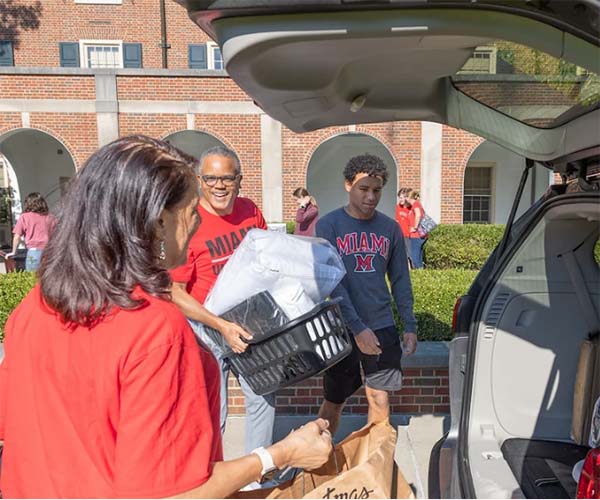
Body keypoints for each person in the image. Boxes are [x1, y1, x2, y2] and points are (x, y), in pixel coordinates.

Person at [0, 135, 331, 498]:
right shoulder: (156, 330)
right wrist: (281, 454)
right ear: (159, 223)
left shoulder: (33, 308)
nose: (195, 227)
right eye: (191, 213)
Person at [170, 145, 276, 459]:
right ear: (200, 181)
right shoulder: (186, 222)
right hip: (207, 328)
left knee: (263, 399)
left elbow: (268, 258)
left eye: (227, 178)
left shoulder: (250, 211)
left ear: (239, 180)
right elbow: (175, 292)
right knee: (213, 410)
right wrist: (221, 326)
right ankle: (212, 477)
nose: (220, 185)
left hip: (251, 324)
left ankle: (258, 478)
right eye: (212, 178)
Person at [315, 153, 418, 436]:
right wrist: (358, 328)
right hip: (342, 328)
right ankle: (322, 461)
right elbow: (332, 285)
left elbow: (400, 280)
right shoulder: (328, 225)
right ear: (348, 185)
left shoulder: (390, 228)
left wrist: (409, 324)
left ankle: (376, 467)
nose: (371, 197)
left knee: (379, 397)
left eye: (377, 190)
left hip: (381, 323)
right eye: (364, 189)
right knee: (334, 402)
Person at [7, 192, 56, 271]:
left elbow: (17, 237)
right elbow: (58, 235)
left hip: (34, 253)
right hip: (50, 252)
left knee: (32, 279)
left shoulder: (25, 217)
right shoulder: (51, 218)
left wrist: (13, 252)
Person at [406, 189, 427, 269]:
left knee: (414, 257)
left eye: (406, 197)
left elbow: (418, 215)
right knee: (418, 256)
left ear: (409, 197)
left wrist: (415, 227)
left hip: (416, 235)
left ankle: (419, 273)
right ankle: (421, 272)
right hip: (418, 235)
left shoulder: (416, 204)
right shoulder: (416, 205)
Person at [395, 187, 411, 256]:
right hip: (401, 234)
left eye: (401, 198)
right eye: (399, 197)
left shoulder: (411, 208)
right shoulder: (398, 207)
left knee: (411, 254)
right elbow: (397, 220)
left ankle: (413, 267)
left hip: (409, 235)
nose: (400, 200)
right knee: (402, 255)